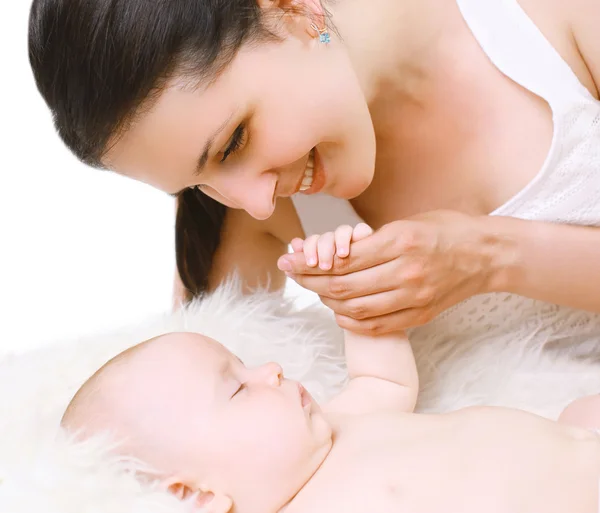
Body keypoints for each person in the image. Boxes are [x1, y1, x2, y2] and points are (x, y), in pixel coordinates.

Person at [28, 0, 600, 353]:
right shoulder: (243, 203)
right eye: (196, 183)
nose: (252, 204)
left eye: (234, 141)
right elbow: (197, 415)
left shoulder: (550, 17)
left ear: (292, 9)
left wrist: (490, 257)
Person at [61, 330, 600, 513]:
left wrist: (354, 300)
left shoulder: (340, 421)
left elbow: (386, 381)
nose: (270, 369)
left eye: (247, 362)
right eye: (238, 386)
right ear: (197, 495)